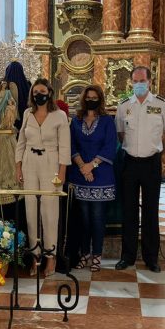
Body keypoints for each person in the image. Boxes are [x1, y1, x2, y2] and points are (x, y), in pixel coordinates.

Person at [115, 66, 165, 273]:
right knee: (129, 211)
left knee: (151, 212)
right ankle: (127, 256)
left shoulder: (160, 104)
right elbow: (121, 134)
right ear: (131, 82)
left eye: (142, 80)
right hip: (130, 163)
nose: (139, 84)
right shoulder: (124, 106)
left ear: (150, 81)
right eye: (135, 81)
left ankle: (151, 258)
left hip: (151, 163)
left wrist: (156, 152)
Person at [15, 78, 70, 277]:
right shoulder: (27, 113)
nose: (39, 94)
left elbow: (65, 145)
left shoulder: (59, 115)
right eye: (36, 91)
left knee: (49, 212)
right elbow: (21, 141)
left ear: (49, 93)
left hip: (51, 164)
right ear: (32, 94)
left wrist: (62, 172)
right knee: (31, 211)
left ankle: (50, 258)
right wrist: (18, 166)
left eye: (42, 91)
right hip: (30, 162)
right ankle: (35, 256)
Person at [69, 85, 117, 272]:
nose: (91, 100)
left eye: (94, 97)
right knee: (83, 219)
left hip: (101, 176)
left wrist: (91, 165)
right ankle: (84, 254)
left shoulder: (106, 121)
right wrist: (82, 166)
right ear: (83, 99)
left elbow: (110, 146)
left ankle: (97, 255)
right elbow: (71, 145)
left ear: (100, 99)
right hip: (80, 176)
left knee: (97, 218)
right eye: (88, 97)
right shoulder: (75, 121)